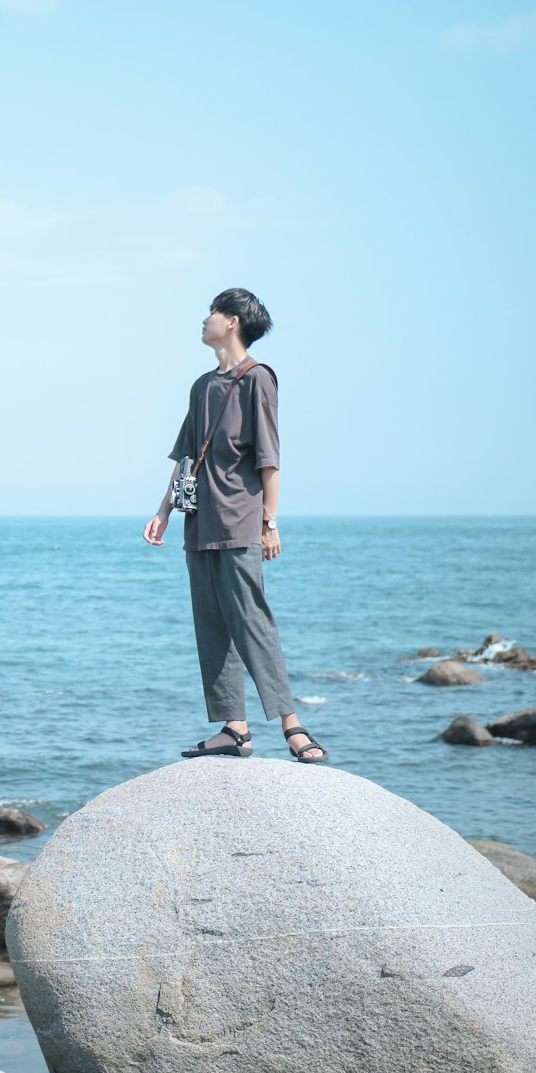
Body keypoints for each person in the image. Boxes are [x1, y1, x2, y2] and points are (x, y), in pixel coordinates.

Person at [142, 288, 327, 764]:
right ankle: (234, 728)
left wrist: (270, 521)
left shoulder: (258, 380)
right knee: (211, 623)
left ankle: (292, 725)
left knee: (252, 622)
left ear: (233, 322)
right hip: (198, 522)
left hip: (242, 519)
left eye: (213, 313)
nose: (204, 319)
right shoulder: (202, 386)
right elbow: (186, 455)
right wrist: (163, 510)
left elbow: (270, 459)